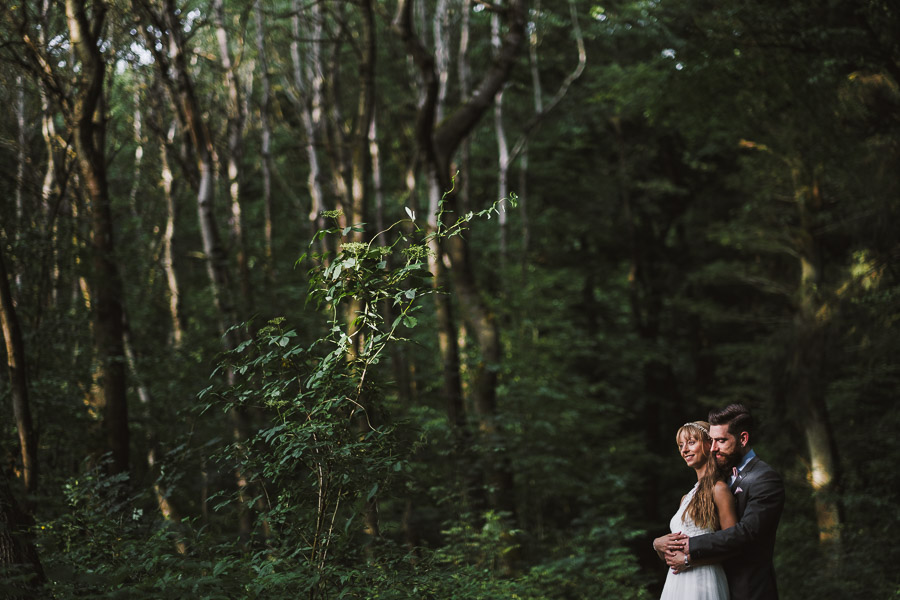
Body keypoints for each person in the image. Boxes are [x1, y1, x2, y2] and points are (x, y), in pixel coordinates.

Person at [665, 404, 785, 600]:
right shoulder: (719, 475)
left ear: (743, 439)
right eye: (711, 441)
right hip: (711, 582)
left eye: (721, 441)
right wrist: (659, 543)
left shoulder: (764, 478)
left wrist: (690, 549)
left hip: (748, 589)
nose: (713, 448)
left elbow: (746, 533)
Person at [652, 421, 736, 600]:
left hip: (703, 580)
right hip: (676, 583)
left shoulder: (719, 489)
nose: (684, 450)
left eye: (691, 442)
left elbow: (734, 544)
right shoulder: (686, 498)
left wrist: (688, 561)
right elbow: (673, 554)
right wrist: (658, 545)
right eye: (681, 445)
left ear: (708, 444)